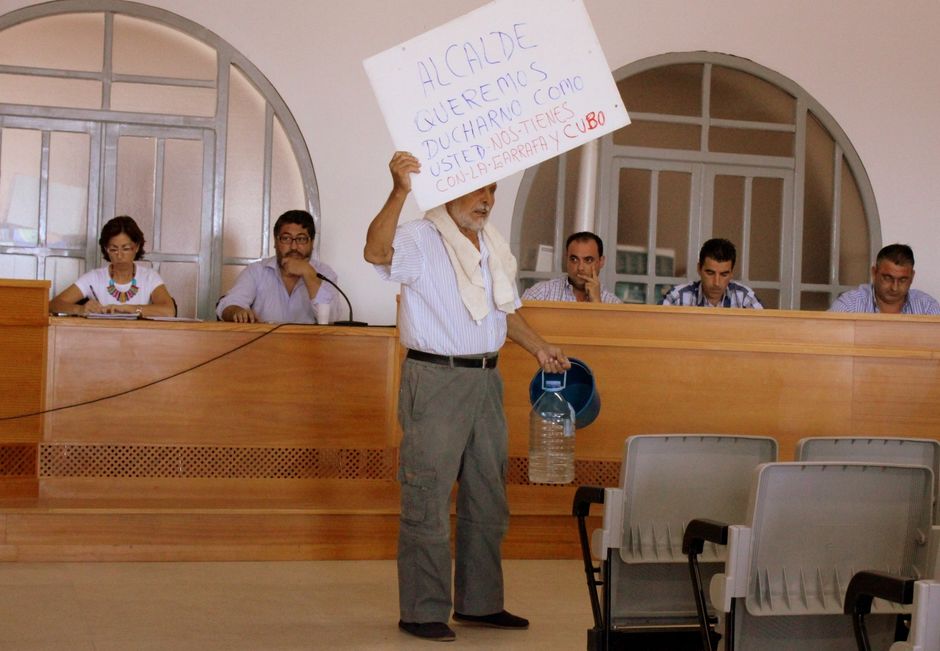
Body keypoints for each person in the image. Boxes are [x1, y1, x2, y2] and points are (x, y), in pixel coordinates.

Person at [364, 151, 569, 643]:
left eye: (492, 191)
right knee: (428, 495)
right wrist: (398, 190)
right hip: (435, 381)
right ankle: (421, 609)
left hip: (486, 382)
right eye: (479, 190)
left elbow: (506, 311)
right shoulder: (420, 235)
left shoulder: (491, 245)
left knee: (487, 495)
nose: (487, 200)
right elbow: (375, 253)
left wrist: (540, 347)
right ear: (449, 192)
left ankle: (479, 604)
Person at [216, 210, 339, 323]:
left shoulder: (325, 273)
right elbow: (227, 305)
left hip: (311, 346)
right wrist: (236, 311)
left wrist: (308, 273)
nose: (294, 247)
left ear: (311, 243)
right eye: (286, 238)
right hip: (263, 346)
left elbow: (332, 318)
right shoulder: (256, 271)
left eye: (301, 239)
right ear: (275, 242)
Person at [49, 215, 176, 317]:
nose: (119, 255)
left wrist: (129, 309)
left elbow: (169, 310)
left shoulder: (150, 277)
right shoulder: (94, 278)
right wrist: (81, 309)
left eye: (126, 249)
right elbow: (54, 304)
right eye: (113, 249)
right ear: (105, 249)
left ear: (137, 247)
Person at [829, 243, 940, 314]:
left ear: (912, 277)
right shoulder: (850, 304)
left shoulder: (926, 307)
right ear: (874, 272)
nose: (895, 288)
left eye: (903, 280)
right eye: (888, 278)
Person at [521, 231, 622, 304]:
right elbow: (512, 325)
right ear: (567, 259)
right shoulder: (541, 293)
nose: (580, 268)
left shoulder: (613, 303)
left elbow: (613, 333)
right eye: (574, 259)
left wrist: (597, 303)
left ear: (601, 262)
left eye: (588, 260)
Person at [661, 238, 763, 308]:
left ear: (731, 273)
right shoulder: (677, 296)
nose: (716, 283)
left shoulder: (745, 297)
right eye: (710, 273)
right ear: (699, 269)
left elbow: (765, 332)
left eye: (724, 274)